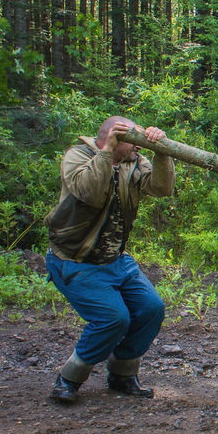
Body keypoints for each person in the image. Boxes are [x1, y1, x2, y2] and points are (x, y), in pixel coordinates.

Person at [44, 117, 175, 403]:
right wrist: (107, 152)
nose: (138, 146)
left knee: (152, 308)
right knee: (113, 318)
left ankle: (122, 375)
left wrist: (161, 152)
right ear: (111, 138)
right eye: (133, 140)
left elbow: (161, 188)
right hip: (75, 260)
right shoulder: (78, 155)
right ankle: (68, 379)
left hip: (116, 260)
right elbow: (88, 192)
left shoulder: (134, 161)